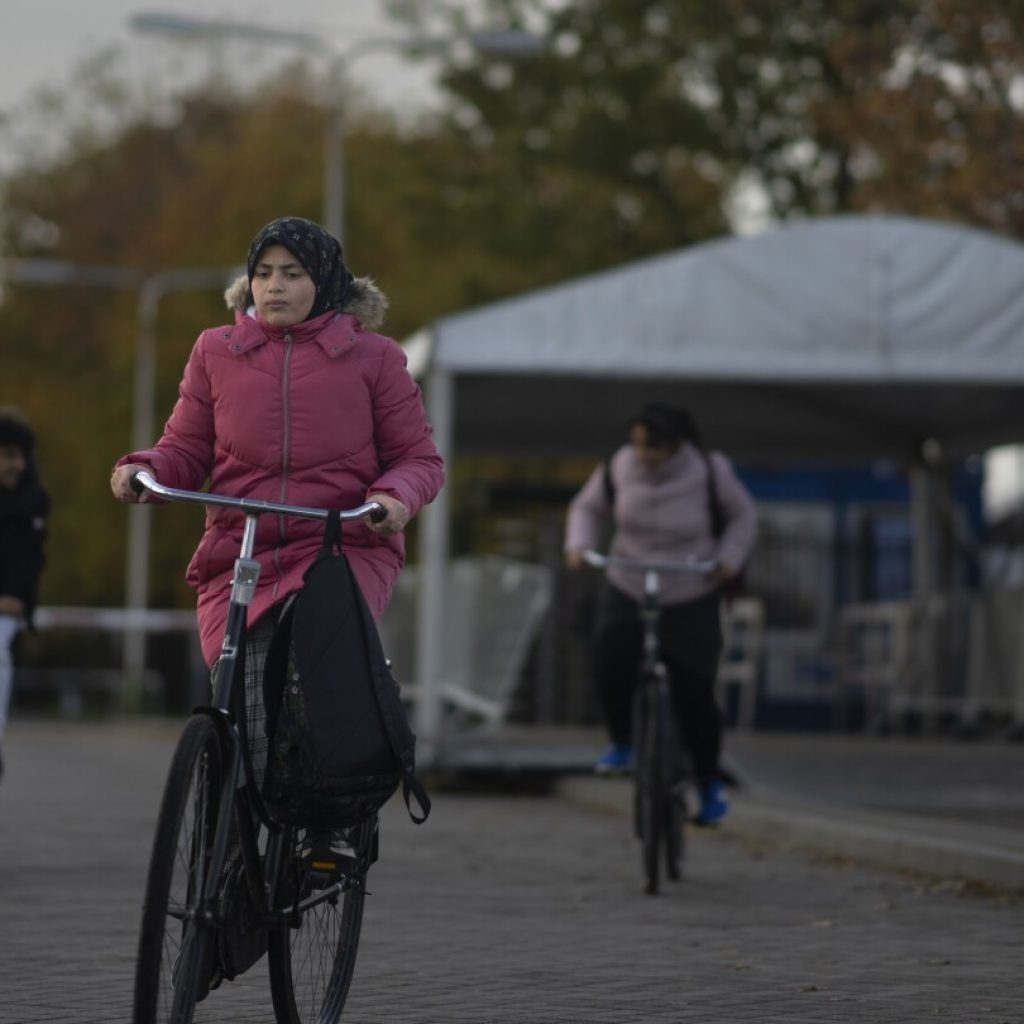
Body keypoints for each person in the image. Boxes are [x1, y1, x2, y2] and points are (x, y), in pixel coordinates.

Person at [110, 216, 445, 790]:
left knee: (321, 685)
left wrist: (394, 498)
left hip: (343, 545)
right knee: (243, 696)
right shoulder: (215, 350)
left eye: (292, 274)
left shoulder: (379, 358)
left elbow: (420, 459)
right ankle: (237, 840)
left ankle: (328, 825)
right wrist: (146, 470)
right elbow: (186, 447)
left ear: (325, 282)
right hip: (241, 547)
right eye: (263, 274)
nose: (275, 287)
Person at [564, 402, 756, 825]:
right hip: (630, 578)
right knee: (609, 657)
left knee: (695, 690)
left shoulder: (708, 470)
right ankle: (622, 742)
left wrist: (729, 558)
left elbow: (743, 515)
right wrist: (580, 545)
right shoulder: (618, 466)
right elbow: (588, 508)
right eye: (637, 445)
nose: (643, 455)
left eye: (654, 447)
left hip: (691, 583)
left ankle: (707, 782)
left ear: (676, 445)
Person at [0, 408, 50, 780]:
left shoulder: (33, 501)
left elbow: (32, 559)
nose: (14, 464)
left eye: (19, 455)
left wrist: (19, 599)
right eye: (6, 455)